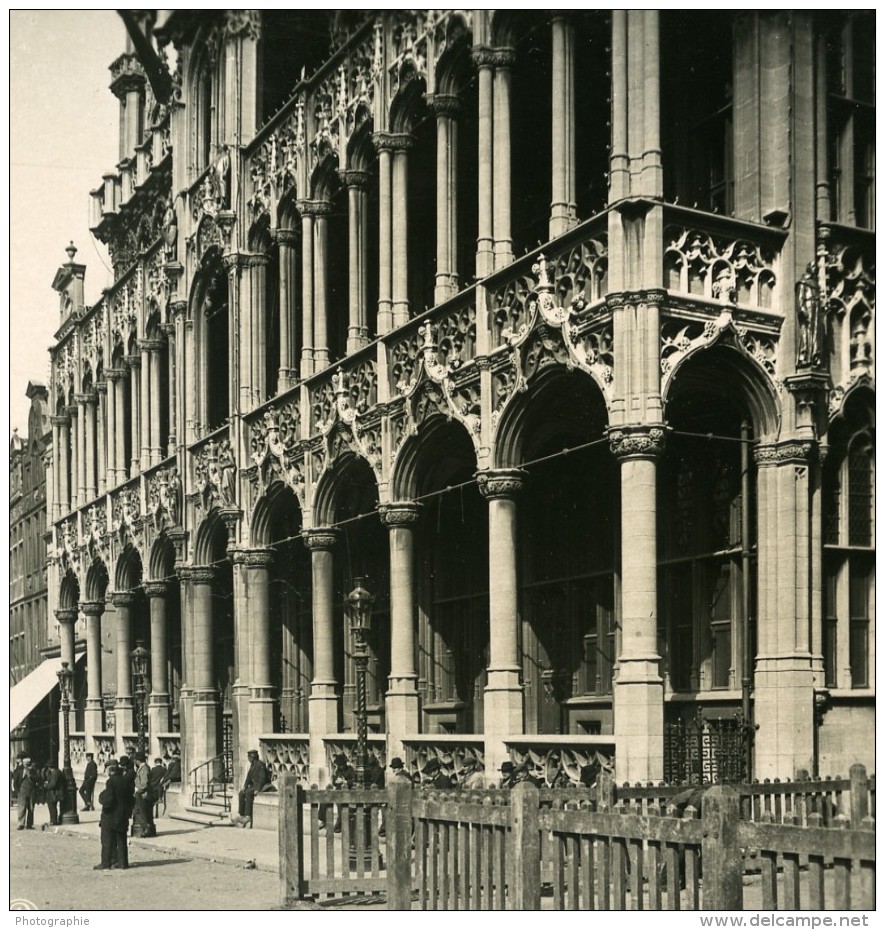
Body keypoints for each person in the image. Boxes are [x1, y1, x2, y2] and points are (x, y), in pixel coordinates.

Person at [96, 760, 130, 870]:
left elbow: (109, 800)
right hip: (122, 815)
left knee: (107, 840)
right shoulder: (125, 780)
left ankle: (106, 863)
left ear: (109, 770)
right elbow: (131, 798)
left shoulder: (110, 782)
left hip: (110, 816)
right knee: (121, 840)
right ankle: (122, 863)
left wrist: (101, 799)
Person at [233, 749, 268, 828]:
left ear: (253, 757)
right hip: (253, 785)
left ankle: (248, 816)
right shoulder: (252, 764)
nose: (248, 758)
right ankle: (241, 814)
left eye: (249, 757)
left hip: (259, 785)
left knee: (248, 793)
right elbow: (248, 777)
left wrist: (258, 789)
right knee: (241, 793)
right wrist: (244, 786)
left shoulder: (260, 764)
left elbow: (262, 778)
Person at [132, 752, 156, 837]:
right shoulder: (142, 768)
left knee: (138, 812)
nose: (134, 761)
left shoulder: (144, 769)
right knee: (139, 812)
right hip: (141, 794)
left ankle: (146, 828)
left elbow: (144, 784)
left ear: (138, 760)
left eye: (135, 759)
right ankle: (146, 828)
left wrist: (137, 792)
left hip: (142, 795)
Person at [16, 762, 37, 830]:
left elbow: (37, 779)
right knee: (22, 808)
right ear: (23, 765)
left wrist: (30, 775)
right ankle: (21, 823)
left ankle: (29, 824)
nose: (27, 767)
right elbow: (15, 782)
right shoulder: (19, 772)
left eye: (28, 765)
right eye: (26, 765)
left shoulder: (33, 771)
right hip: (22, 792)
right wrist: (17, 791)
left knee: (31, 808)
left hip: (31, 792)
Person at [42, 761, 64, 826]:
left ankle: (53, 820)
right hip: (55, 792)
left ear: (50, 767)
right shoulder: (56, 772)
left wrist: (46, 786)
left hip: (55, 792)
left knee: (52, 806)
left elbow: (53, 784)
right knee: (52, 806)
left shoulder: (55, 773)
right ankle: (53, 820)